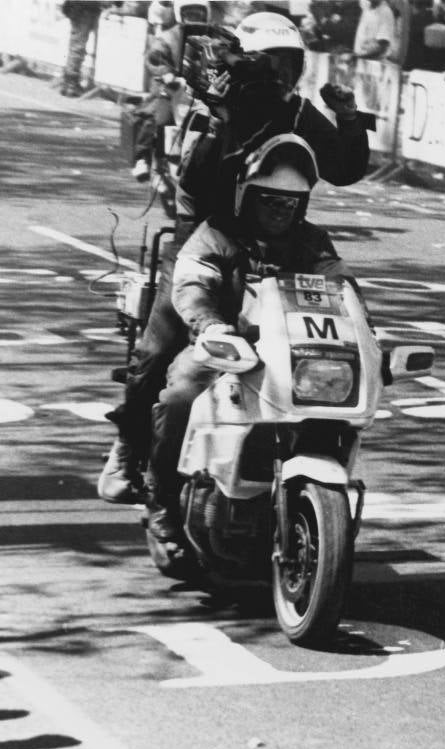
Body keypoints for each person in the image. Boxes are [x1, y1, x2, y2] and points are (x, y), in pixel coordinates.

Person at [98, 12, 370, 516]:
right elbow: (196, 183)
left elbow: (345, 168)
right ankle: (129, 448)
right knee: (160, 351)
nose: (278, 74)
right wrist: (222, 116)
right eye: (268, 62)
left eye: (288, 63)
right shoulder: (213, 105)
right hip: (207, 237)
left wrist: (348, 120)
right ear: (246, 60)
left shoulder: (296, 111)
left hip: (280, 240)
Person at [147, 134, 371, 542]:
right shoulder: (217, 234)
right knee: (181, 396)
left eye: (289, 203)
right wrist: (212, 327)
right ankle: (162, 499)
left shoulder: (312, 242)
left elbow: (344, 290)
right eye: (269, 200)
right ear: (247, 196)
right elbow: (191, 286)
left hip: (291, 359)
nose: (279, 211)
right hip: (226, 353)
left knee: (335, 413)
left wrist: (368, 340)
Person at [130, 0, 210, 182]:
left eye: (198, 13)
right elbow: (153, 58)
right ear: (180, 13)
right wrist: (166, 73)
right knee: (155, 117)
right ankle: (142, 158)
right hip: (172, 88)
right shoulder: (168, 37)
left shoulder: (213, 37)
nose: (194, 18)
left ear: (207, 14)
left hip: (201, 92)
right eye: (189, 13)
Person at [59, 1, 109, 97]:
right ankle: (71, 84)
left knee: (76, 45)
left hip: (79, 7)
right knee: (78, 46)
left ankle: (68, 82)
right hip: (84, 8)